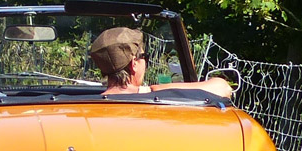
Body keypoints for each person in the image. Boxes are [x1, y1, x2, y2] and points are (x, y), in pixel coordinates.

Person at [88, 27, 232, 98]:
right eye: (145, 56)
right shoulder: (155, 97)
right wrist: (151, 89)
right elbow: (223, 88)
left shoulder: (87, 106)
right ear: (134, 64)